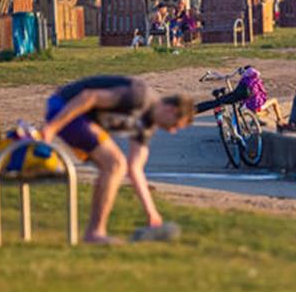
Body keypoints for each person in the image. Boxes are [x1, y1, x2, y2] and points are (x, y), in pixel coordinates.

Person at [37, 75, 197, 245]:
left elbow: (135, 169)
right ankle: (95, 233)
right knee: (114, 164)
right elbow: (89, 96)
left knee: (113, 167)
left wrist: (152, 213)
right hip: (64, 105)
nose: (172, 131)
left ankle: (94, 231)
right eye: (175, 125)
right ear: (171, 110)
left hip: (80, 117)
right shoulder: (139, 97)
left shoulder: (147, 126)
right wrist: (51, 128)